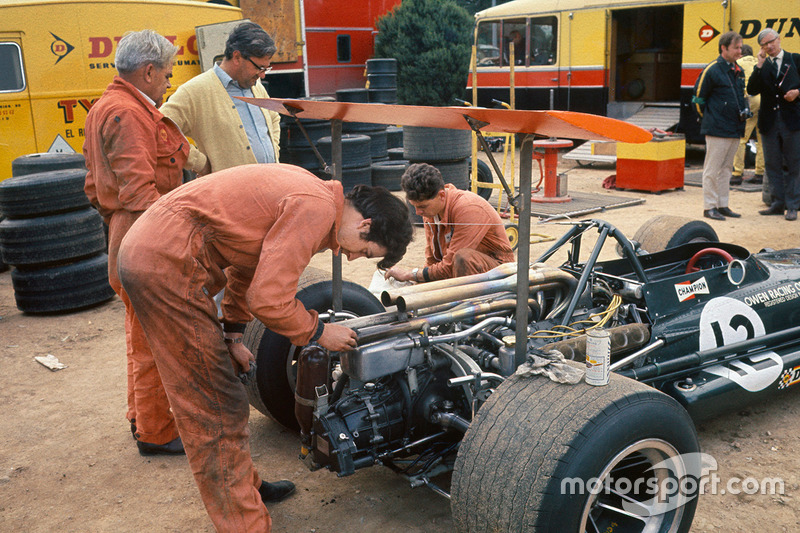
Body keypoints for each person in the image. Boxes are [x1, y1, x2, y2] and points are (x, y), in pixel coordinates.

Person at [117, 164, 413, 532]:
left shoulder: (315, 195)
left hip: (154, 249)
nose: (352, 258)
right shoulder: (315, 208)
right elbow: (269, 299)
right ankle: (246, 524)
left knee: (223, 390)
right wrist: (319, 332)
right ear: (365, 225)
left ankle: (246, 489)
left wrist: (234, 336)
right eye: (366, 252)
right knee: (216, 405)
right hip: (167, 263)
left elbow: (248, 267)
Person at [83, 29, 188, 456]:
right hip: (145, 236)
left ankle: (140, 417)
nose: (167, 82)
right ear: (147, 71)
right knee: (153, 340)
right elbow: (142, 194)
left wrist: (117, 222)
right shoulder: (128, 114)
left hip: (124, 233)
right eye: (165, 74)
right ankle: (157, 432)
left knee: (138, 334)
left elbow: (95, 189)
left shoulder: (108, 106)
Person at [160, 22, 281, 175]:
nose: (262, 75)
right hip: (227, 195)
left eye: (266, 68)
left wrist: (273, 152)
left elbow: (274, 118)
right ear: (237, 57)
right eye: (259, 68)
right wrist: (199, 162)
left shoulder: (257, 86)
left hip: (267, 184)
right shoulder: (195, 91)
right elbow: (160, 131)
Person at [385, 162, 514, 283]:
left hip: (500, 273)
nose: (418, 212)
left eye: (422, 207)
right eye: (415, 206)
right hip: (460, 271)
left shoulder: (468, 208)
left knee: (463, 257)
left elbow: (451, 264)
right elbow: (432, 260)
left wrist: (411, 274)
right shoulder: (431, 211)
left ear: (441, 196)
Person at [692, 31, 747, 221]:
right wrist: (709, 118)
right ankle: (709, 207)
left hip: (734, 128)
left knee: (726, 169)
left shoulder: (737, 70)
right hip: (717, 129)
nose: (740, 51)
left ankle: (723, 205)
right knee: (712, 169)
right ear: (724, 48)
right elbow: (698, 99)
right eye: (736, 48)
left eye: (740, 47)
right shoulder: (713, 70)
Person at [747, 28, 800, 221]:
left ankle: (793, 205)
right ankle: (778, 203)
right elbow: (751, 89)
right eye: (764, 45)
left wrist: (797, 93)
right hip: (769, 121)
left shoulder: (795, 59)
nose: (769, 47)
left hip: (792, 120)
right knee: (772, 163)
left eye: (771, 42)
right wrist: (759, 65)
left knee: (794, 163)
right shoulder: (763, 65)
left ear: (779, 39)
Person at [731, 44, 765, 185]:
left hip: (749, 100)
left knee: (741, 138)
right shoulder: (760, 62)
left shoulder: (737, 63)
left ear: (740, 54)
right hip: (763, 100)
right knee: (761, 138)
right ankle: (760, 173)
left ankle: (737, 173)